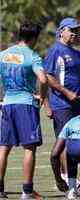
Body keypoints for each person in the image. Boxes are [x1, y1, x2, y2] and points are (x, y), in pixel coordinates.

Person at [0, 21, 48, 199]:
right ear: (34, 38)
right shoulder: (32, 56)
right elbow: (43, 80)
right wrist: (42, 96)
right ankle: (27, 191)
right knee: (29, 148)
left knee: (4, 148)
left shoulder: (3, 54)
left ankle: (0, 190)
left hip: (8, 103)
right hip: (26, 104)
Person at [44, 17, 80, 182]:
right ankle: (66, 177)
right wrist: (65, 92)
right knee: (65, 142)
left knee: (77, 141)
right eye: (72, 30)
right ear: (61, 31)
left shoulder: (78, 54)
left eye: (77, 31)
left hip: (78, 104)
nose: (75, 34)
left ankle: (71, 175)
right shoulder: (55, 51)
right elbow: (47, 77)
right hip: (62, 104)